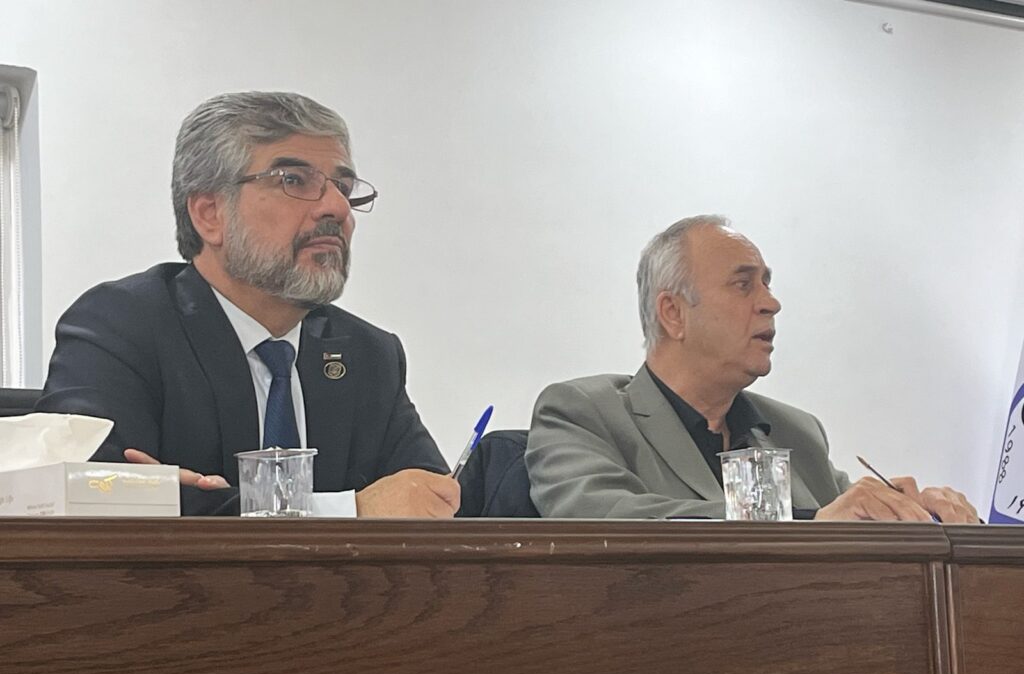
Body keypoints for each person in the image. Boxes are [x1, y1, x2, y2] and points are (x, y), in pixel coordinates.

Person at [37, 91, 459, 518]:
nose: (337, 208)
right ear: (210, 214)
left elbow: (426, 504)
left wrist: (195, 504)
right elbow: (86, 501)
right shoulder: (120, 326)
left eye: (344, 189)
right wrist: (350, 510)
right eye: (294, 180)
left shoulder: (368, 355)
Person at [525, 215, 978, 523]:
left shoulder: (795, 431)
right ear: (673, 313)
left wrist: (914, 513)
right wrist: (809, 526)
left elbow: (846, 514)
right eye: (743, 285)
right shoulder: (583, 413)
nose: (770, 303)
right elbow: (603, 521)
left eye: (767, 284)